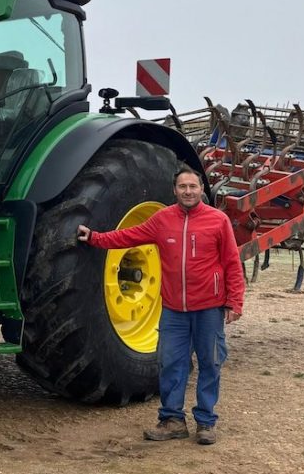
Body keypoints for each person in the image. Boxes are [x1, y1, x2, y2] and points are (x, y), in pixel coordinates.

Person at [77, 164, 244, 446]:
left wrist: (234, 302)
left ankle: (205, 422)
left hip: (209, 309)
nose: (188, 191)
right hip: (174, 311)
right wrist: (95, 238)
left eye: (193, 187)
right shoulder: (162, 220)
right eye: (182, 187)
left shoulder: (218, 221)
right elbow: (128, 236)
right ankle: (172, 420)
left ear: (201, 189)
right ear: (174, 190)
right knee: (170, 364)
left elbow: (231, 263)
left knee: (210, 363)